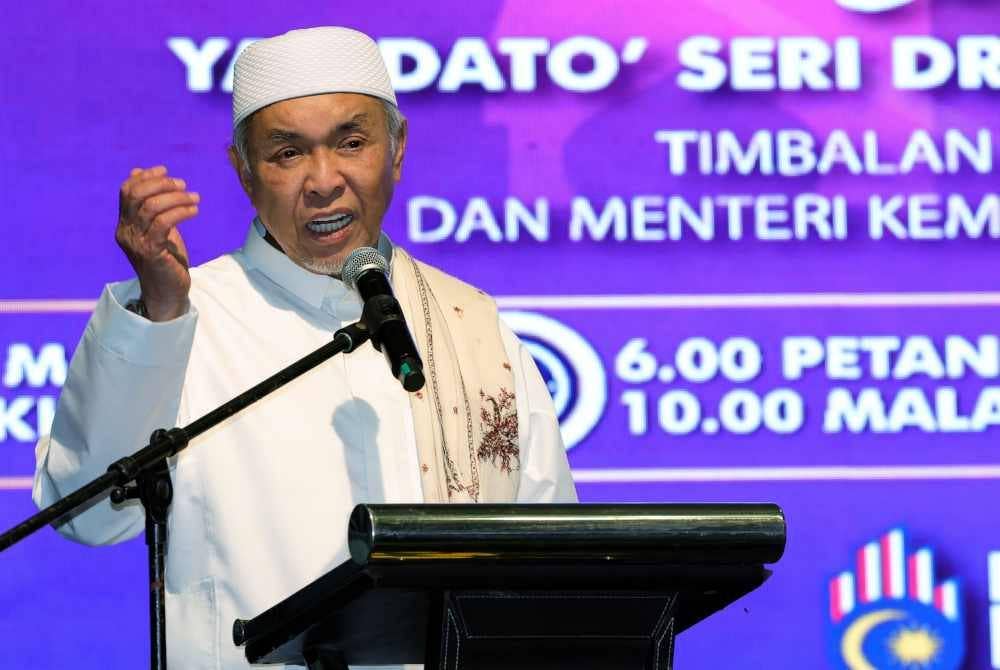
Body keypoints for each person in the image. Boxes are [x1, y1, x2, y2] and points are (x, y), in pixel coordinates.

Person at [33, 26, 576, 670]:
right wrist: (157, 312)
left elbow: (550, 563)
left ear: (397, 149)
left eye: (352, 143)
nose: (324, 181)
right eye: (287, 154)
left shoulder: (472, 324)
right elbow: (91, 517)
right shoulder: (183, 315)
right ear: (243, 170)